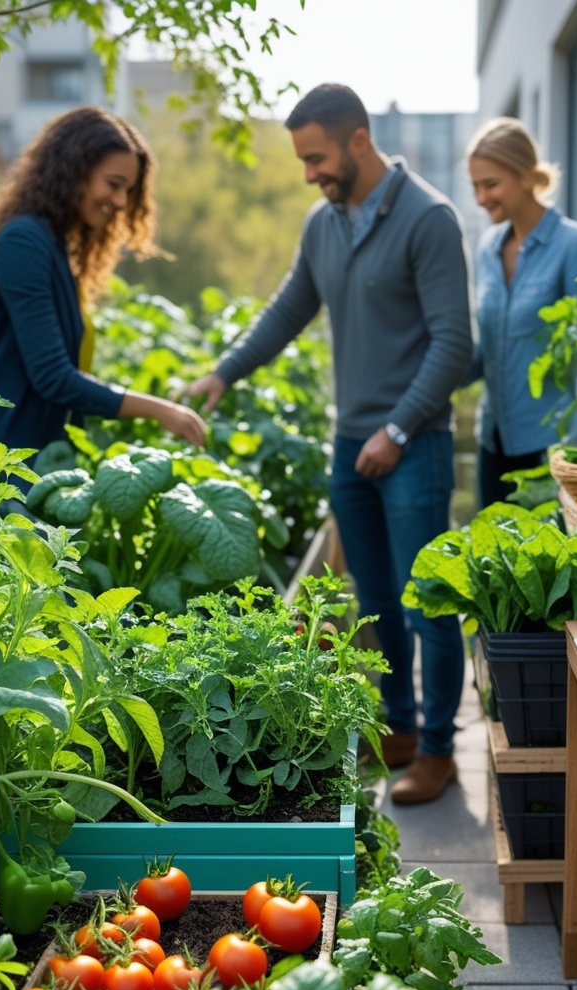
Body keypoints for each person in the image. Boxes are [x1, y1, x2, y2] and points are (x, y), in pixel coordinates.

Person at [189, 83, 473, 805]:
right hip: (351, 448)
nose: (309, 172)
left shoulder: (429, 219)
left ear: (358, 138)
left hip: (413, 446)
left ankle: (438, 751)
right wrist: (226, 371)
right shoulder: (325, 224)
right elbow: (289, 308)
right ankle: (401, 729)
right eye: (302, 160)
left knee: (425, 603)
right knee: (374, 599)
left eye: (315, 156)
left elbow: (453, 344)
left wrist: (399, 428)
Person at [0, 105, 206, 465]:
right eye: (114, 185)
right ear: (74, 172)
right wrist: (163, 411)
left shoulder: (53, 247)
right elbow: (53, 377)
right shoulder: (23, 242)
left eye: (128, 191)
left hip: (20, 462)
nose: (120, 201)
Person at [466, 116, 577, 508]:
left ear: (527, 176)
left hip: (551, 447)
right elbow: (488, 349)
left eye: (490, 184)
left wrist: (576, 448)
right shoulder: (488, 248)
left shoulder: (575, 245)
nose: (480, 198)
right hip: (492, 440)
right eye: (475, 186)